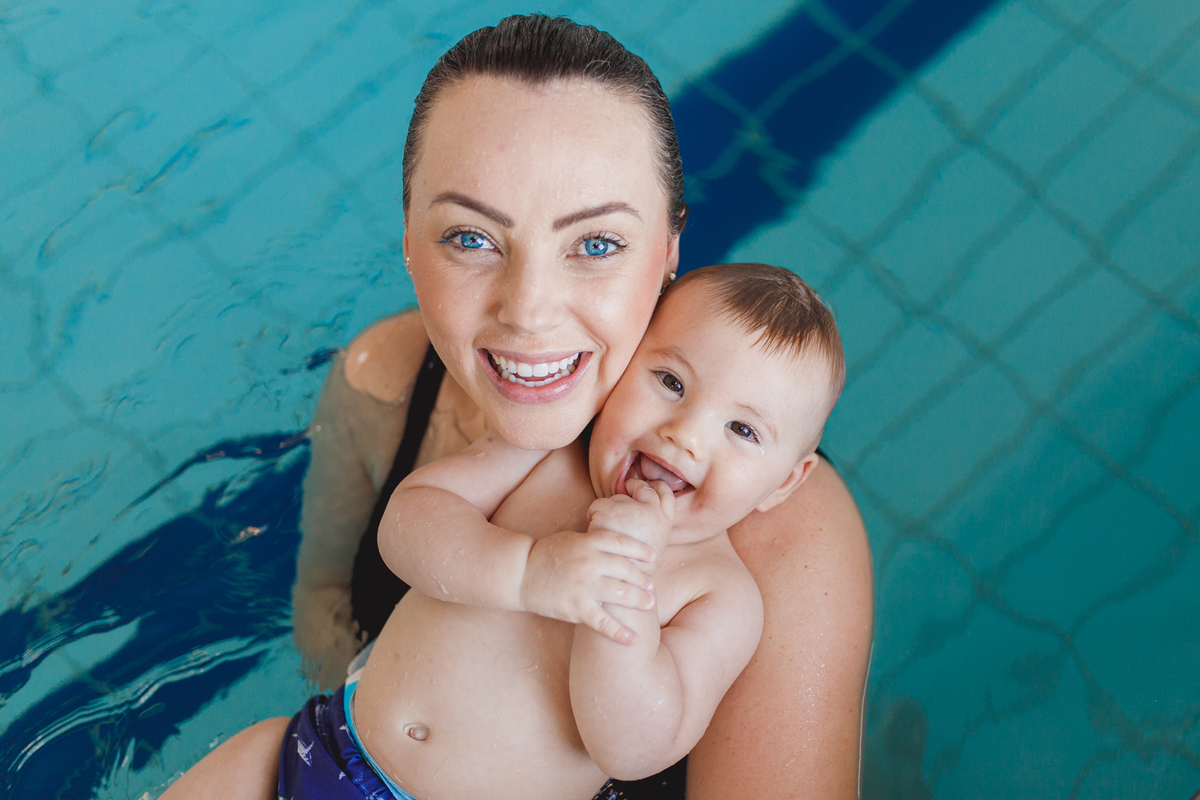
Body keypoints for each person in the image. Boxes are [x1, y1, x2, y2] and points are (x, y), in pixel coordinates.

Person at [161, 15, 872, 800]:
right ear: (406, 238)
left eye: (596, 243)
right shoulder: (381, 382)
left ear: (669, 253)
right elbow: (325, 602)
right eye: (470, 237)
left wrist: (616, 611)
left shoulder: (776, 538)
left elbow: (635, 741)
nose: (528, 311)